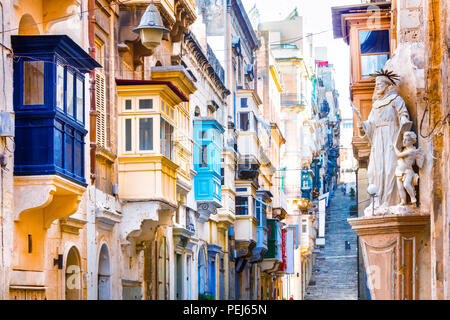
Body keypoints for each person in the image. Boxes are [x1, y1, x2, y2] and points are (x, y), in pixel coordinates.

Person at [356, 69, 411, 212]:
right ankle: (377, 200)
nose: (377, 86)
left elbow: (403, 114)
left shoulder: (396, 100)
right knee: (375, 170)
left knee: (390, 168)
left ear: (387, 86)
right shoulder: (375, 106)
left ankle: (389, 200)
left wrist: (404, 120)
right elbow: (371, 123)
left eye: (380, 83)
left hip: (391, 137)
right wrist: (363, 126)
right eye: (376, 83)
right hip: (377, 140)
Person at [394, 131, 424, 205]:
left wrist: (394, 146)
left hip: (408, 171)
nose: (404, 141)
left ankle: (413, 199)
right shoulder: (405, 149)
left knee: (406, 185)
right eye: (403, 139)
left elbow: (398, 155)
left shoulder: (412, 151)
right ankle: (403, 201)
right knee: (400, 187)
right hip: (399, 171)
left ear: (412, 141)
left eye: (407, 140)